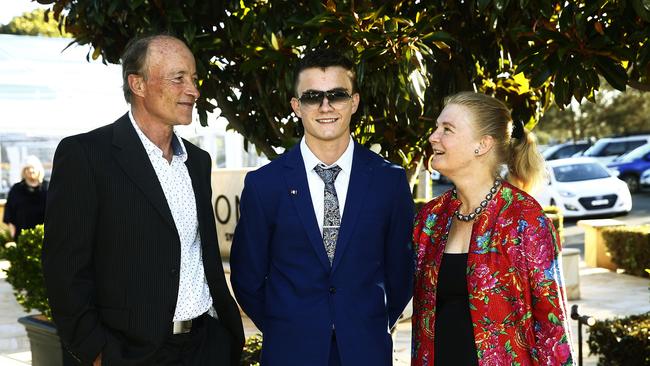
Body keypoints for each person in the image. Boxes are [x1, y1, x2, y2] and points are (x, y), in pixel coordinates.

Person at [42, 34, 244, 366]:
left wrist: (224, 340)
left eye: (193, 79)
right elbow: (64, 270)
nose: (193, 90)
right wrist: (96, 352)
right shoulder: (86, 156)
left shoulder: (198, 161)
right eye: (179, 78)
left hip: (206, 348)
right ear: (138, 85)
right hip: (129, 354)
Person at [230, 48, 414, 366]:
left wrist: (368, 325)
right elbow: (247, 278)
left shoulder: (390, 182)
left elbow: (401, 273)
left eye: (337, 95)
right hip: (290, 353)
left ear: (354, 101)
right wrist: (288, 328)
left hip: (366, 351)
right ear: (296, 106)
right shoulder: (264, 185)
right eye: (313, 96)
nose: (325, 106)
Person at [412, 91, 575, 366]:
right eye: (436, 127)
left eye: (447, 129)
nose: (433, 137)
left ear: (482, 144)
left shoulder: (525, 219)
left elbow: (552, 327)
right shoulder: (431, 219)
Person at [3, 156, 48, 241]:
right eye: (27, 168)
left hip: (45, 238)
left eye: (33, 168)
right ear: (23, 172)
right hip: (21, 237)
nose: (31, 171)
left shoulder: (48, 188)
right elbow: (9, 213)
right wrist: (12, 237)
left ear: (39, 170)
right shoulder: (16, 189)